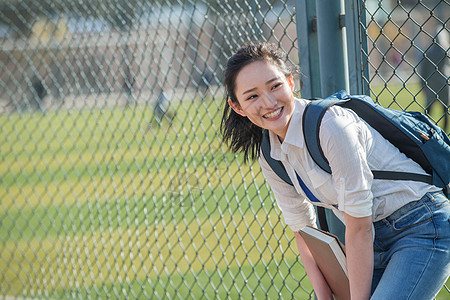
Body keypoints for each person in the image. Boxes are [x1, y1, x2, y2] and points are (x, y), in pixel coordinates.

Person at [220, 41, 450, 300]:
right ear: (237, 106)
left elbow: (359, 227)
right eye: (252, 96)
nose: (269, 101)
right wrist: (322, 293)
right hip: (370, 242)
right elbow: (304, 230)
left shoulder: (331, 127)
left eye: (275, 86)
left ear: (290, 82)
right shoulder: (270, 154)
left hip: (421, 225)